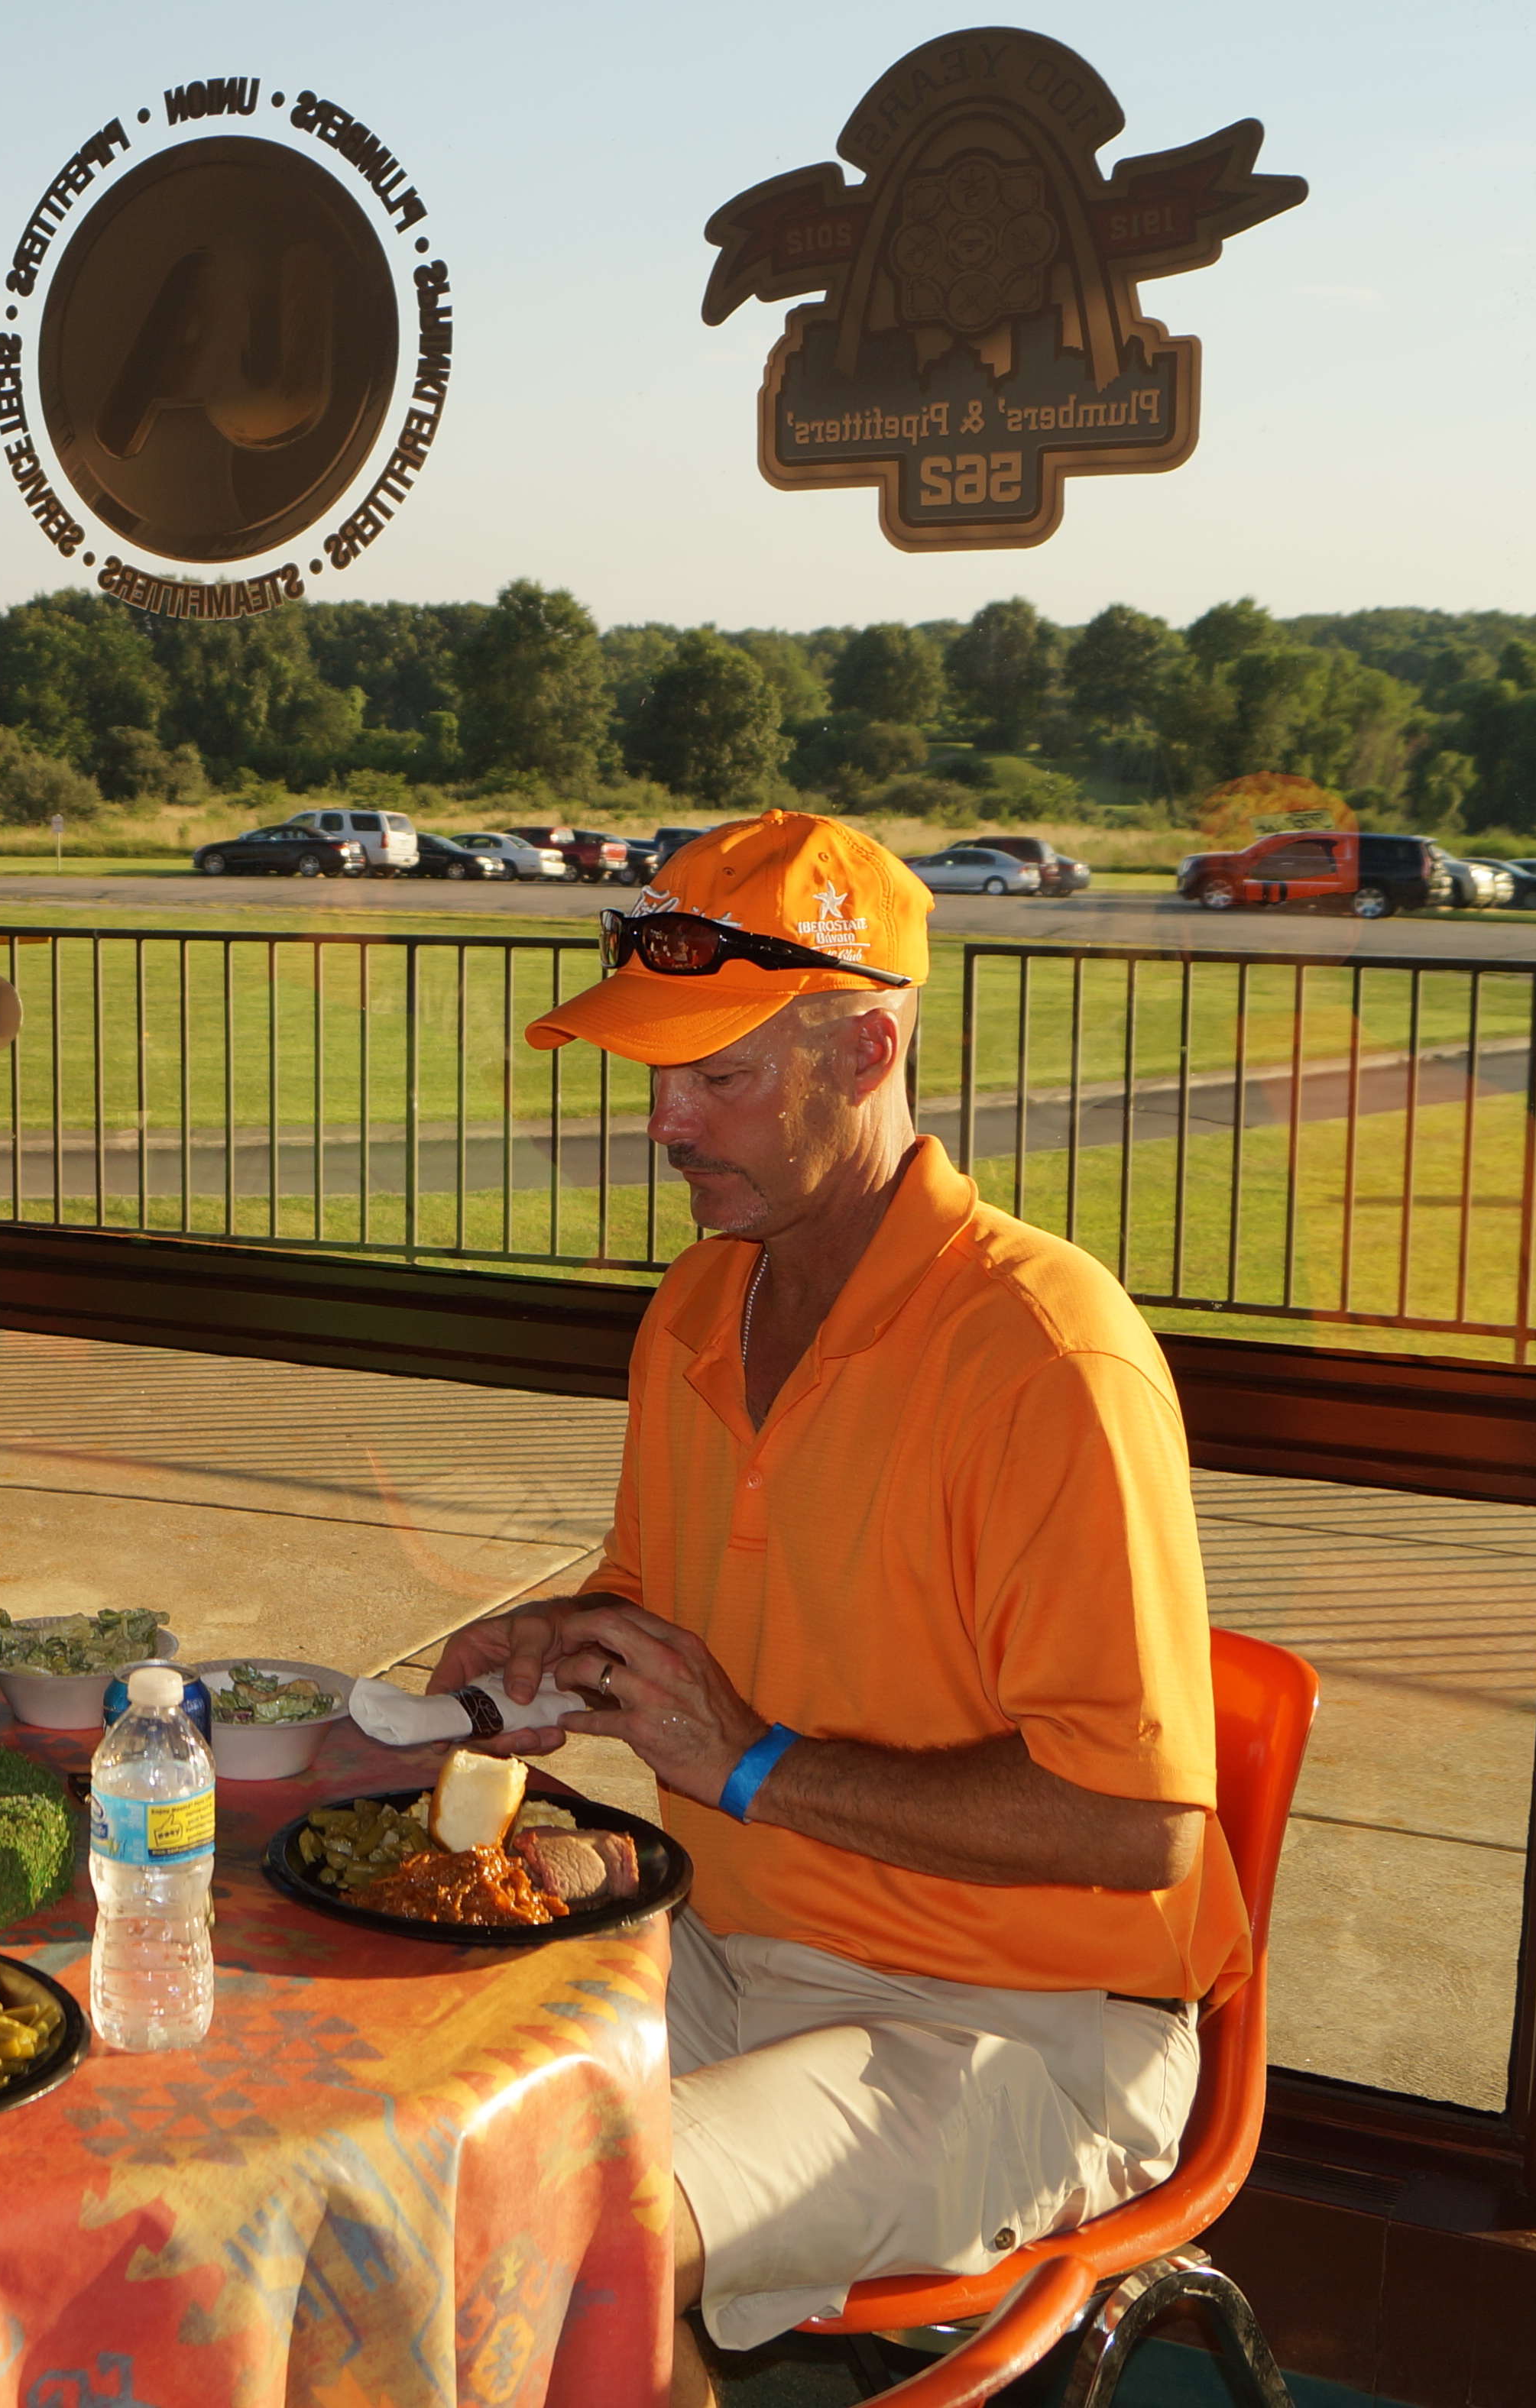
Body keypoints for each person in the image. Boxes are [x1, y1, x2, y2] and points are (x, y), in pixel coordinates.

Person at [426, 811, 1249, 2406]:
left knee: (549, 2227)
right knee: (401, 2135)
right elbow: (661, 1597)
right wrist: (568, 1649)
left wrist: (751, 1764)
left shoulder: (1041, 1353)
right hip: (732, 1946)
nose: (663, 1120)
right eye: (651, 1072)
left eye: (717, 1075)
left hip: (1016, 2022)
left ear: (866, 1047)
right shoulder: (698, 1299)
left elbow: (1137, 1823)